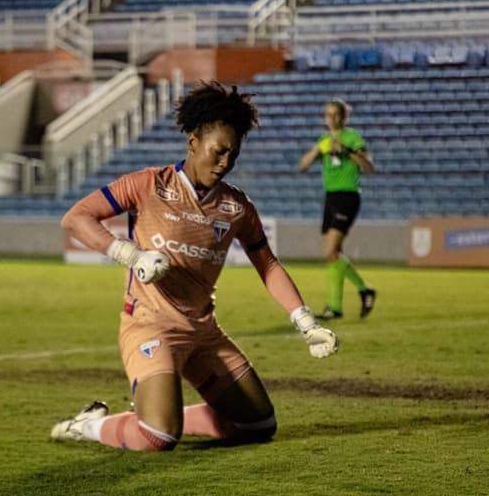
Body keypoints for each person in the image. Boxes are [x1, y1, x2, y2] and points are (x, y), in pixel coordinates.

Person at [52, 81, 338, 452]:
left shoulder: (236, 207)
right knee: (158, 437)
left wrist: (304, 321)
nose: (225, 163)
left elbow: (267, 264)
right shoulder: (148, 184)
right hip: (150, 325)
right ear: (192, 143)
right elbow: (76, 218)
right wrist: (130, 255)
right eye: (217, 152)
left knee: (258, 425)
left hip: (204, 333)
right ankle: (89, 426)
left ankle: (164, 411)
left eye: (232, 155)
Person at [298, 98, 376, 320]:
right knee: (334, 255)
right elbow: (302, 166)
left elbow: (368, 167)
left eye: (335, 115)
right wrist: (317, 151)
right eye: (328, 115)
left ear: (343, 117)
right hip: (330, 198)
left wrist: (347, 151)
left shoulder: (352, 137)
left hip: (348, 196)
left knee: (330, 252)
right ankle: (354, 296)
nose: (331, 119)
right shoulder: (323, 140)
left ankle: (342, 302)